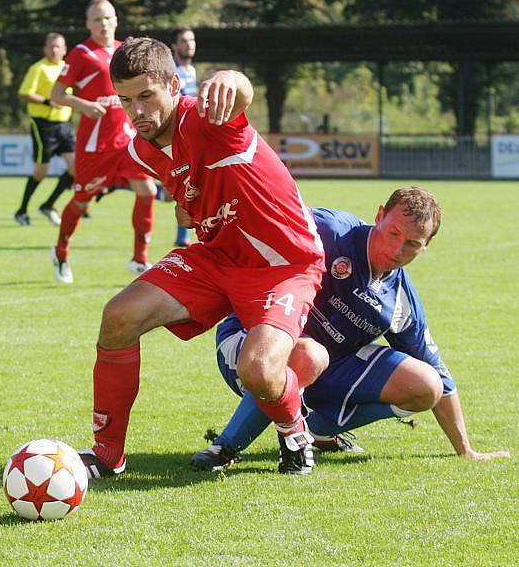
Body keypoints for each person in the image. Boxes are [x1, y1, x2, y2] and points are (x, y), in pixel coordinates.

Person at [78, 36, 326, 480]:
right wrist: (190, 207)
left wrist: (231, 80)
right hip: (216, 257)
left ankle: (294, 428)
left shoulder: (211, 118)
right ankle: (107, 455)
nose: (136, 112)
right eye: (126, 100)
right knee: (118, 316)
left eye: (147, 96)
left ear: (175, 85)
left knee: (258, 370)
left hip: (283, 264)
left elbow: (238, 93)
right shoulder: (142, 148)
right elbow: (188, 193)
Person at [191, 187, 510, 474]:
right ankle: (225, 447)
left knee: (427, 385)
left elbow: (441, 376)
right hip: (250, 343)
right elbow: (264, 224)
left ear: (426, 245)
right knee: (308, 353)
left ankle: (317, 430)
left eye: (412, 244)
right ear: (379, 216)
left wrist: (466, 450)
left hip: (319, 368)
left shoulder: (399, 301)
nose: (398, 248)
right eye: (394, 233)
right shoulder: (329, 231)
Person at [49, 0, 157, 284]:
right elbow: (56, 94)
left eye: (108, 18)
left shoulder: (124, 52)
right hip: (95, 145)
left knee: (147, 190)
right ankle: (60, 252)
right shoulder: (81, 54)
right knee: (83, 201)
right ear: (88, 24)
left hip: (126, 140)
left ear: (116, 20)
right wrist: (82, 104)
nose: (103, 23)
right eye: (97, 19)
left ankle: (139, 258)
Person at [14, 32, 75, 226]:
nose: (54, 49)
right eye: (51, 46)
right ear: (45, 49)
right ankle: (22, 211)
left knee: (76, 168)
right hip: (43, 124)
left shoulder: (67, 69)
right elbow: (24, 93)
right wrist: (49, 102)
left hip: (64, 124)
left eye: (58, 46)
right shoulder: (38, 68)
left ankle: (48, 205)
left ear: (65, 50)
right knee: (41, 170)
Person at [170, 26, 197, 247]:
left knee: (192, 187)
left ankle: (183, 237)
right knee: (188, 186)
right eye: (184, 41)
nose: (189, 44)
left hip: (193, 137)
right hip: (179, 138)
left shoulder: (192, 70)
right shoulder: (172, 72)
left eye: (192, 40)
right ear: (175, 46)